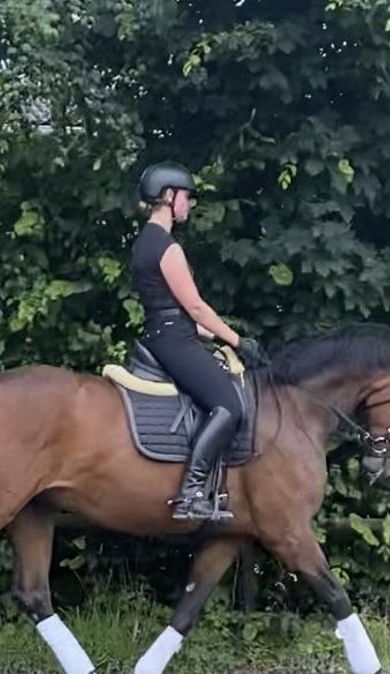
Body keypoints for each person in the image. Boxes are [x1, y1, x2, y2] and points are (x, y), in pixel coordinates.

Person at [130, 161, 262, 520]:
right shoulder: (166, 247)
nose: (189, 204)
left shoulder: (144, 243)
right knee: (229, 405)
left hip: (165, 333)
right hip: (175, 340)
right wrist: (237, 340)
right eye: (186, 196)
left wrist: (216, 337)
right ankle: (190, 493)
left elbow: (177, 311)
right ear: (168, 197)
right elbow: (196, 308)